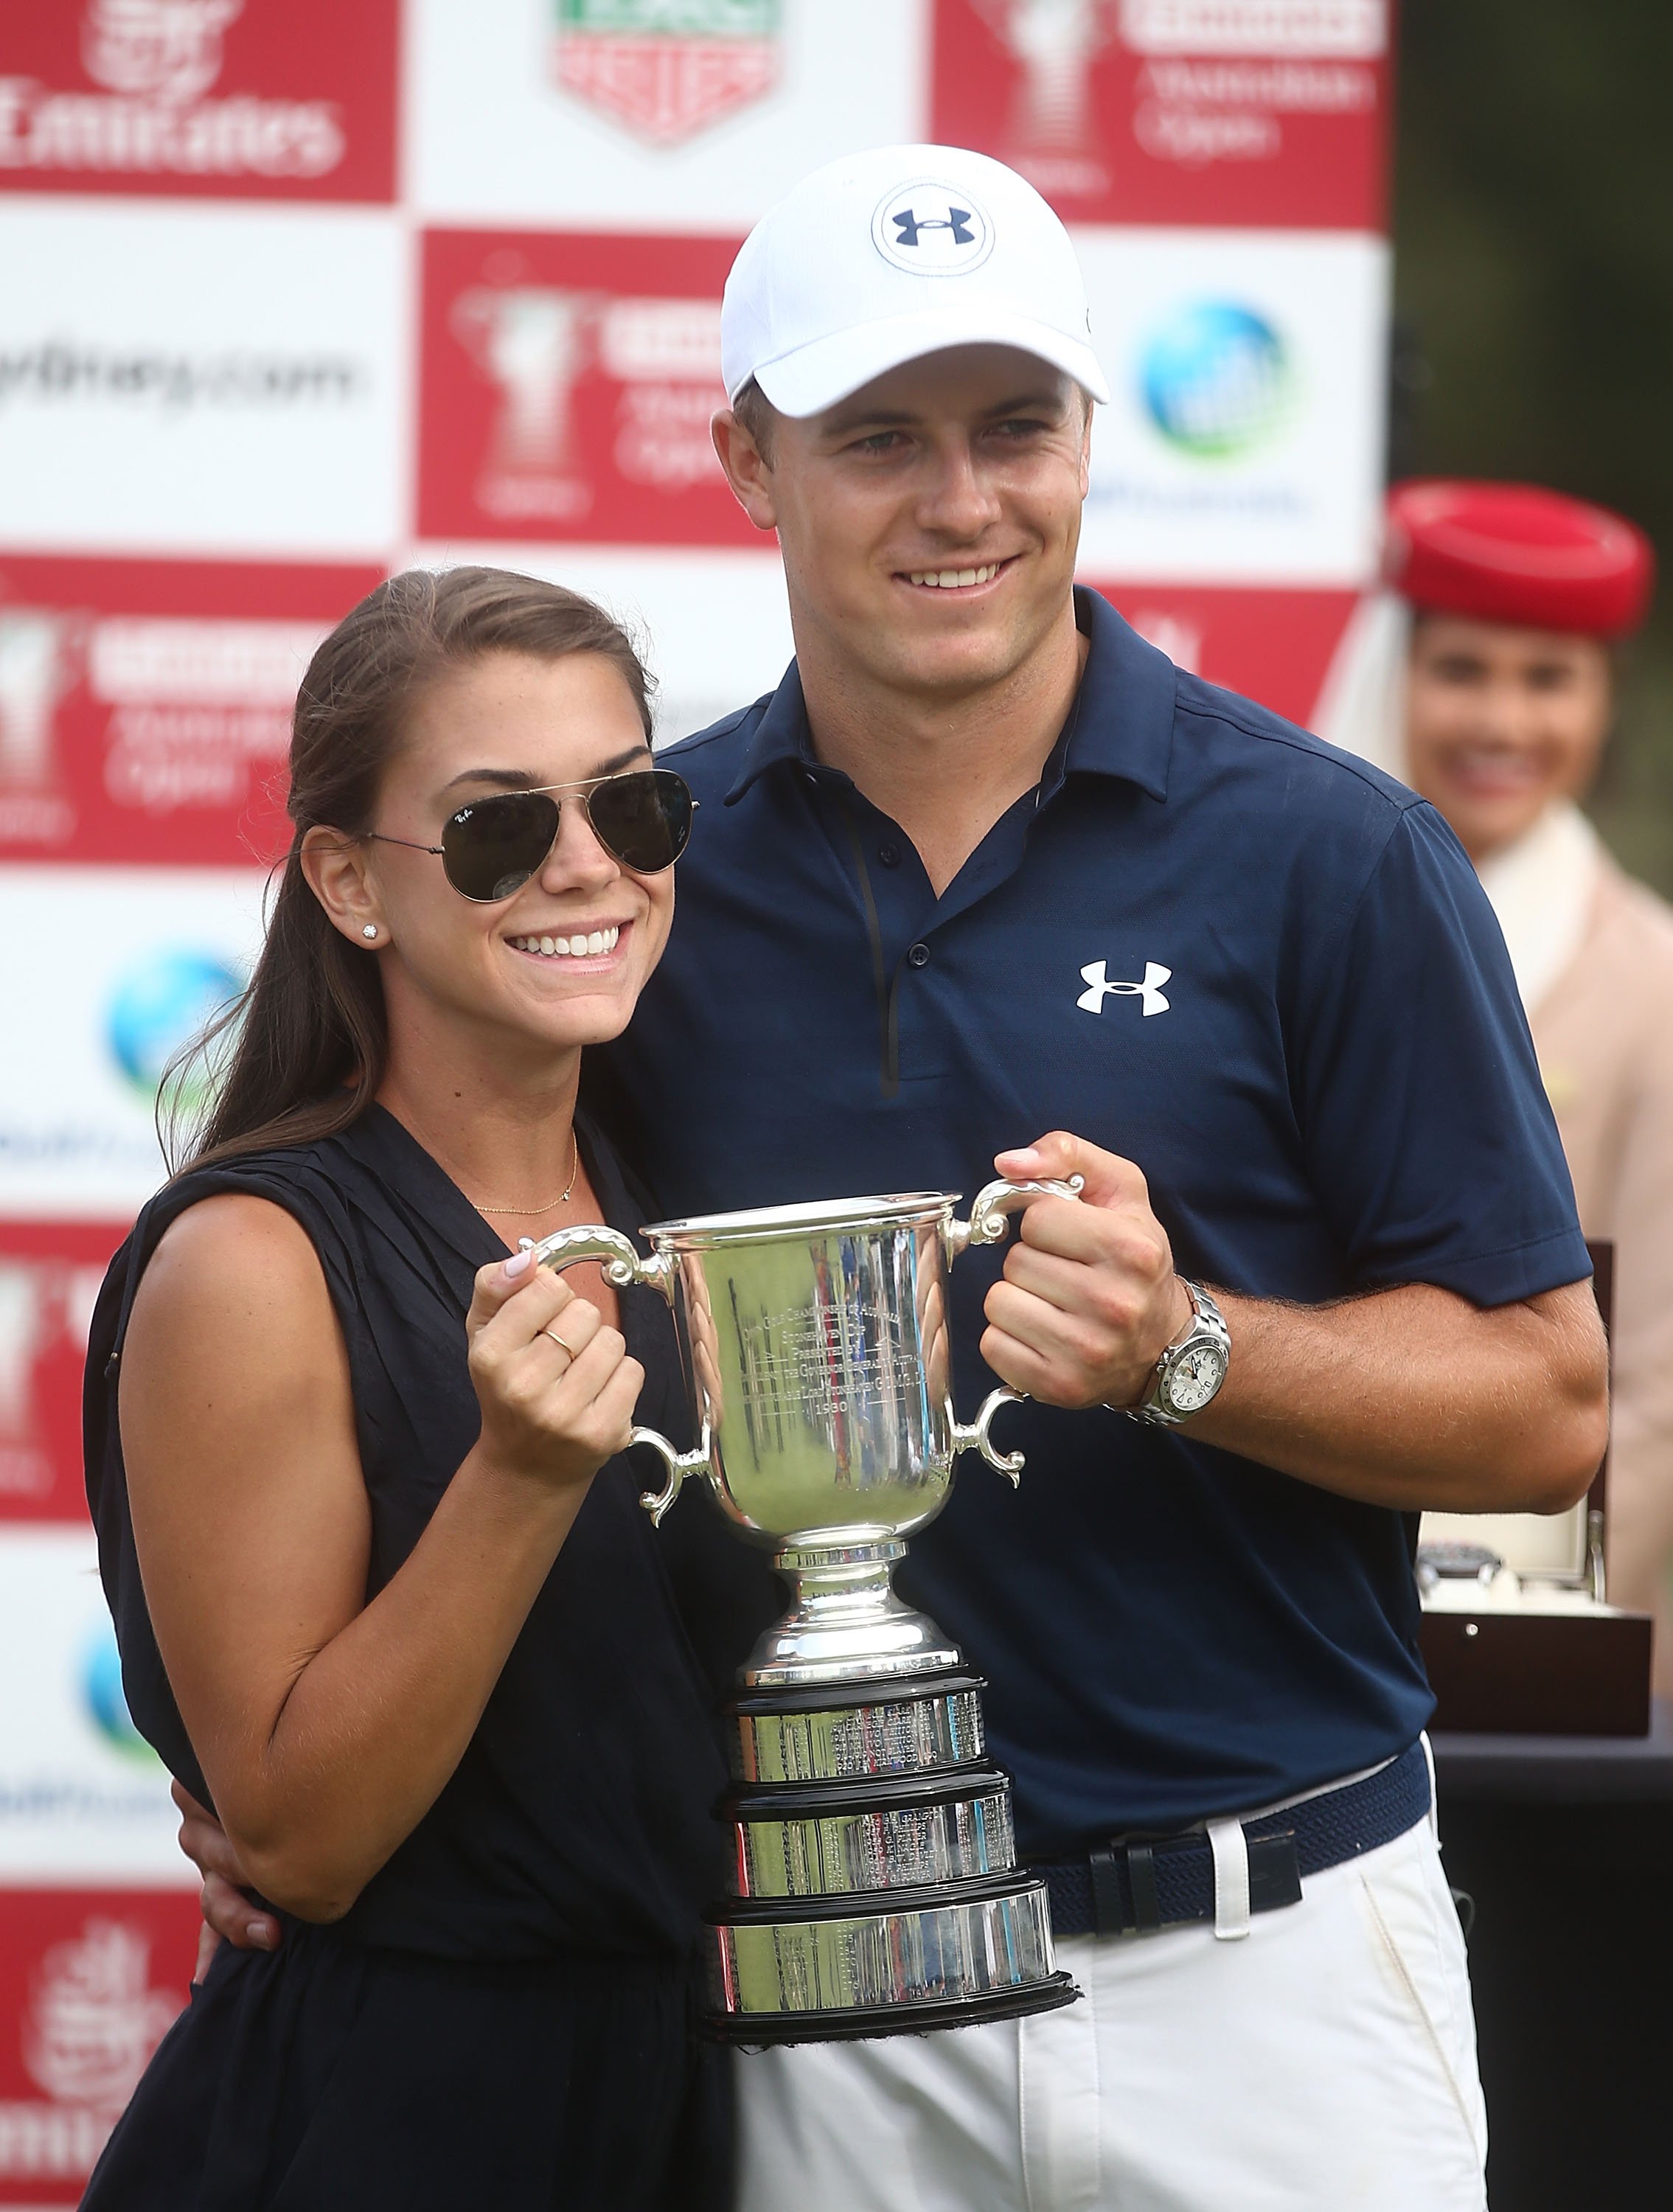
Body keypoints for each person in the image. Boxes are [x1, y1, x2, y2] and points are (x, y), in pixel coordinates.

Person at [185, 148, 1608, 2212]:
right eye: (877, 439)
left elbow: (1542, 1405)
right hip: (805, 1987)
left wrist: (1183, 1348)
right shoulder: (638, 881)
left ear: (1088, 438)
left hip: (1271, 1962)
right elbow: (441, 1306)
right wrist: (270, 1752)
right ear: (748, 464)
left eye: (1012, 425)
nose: (960, 502)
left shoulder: (1328, 856)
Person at [80, 568, 733, 2211]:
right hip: (393, 2125)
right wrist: (513, 1481)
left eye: (632, 805)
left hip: (691, 2105)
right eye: (500, 829)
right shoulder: (251, 1258)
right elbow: (298, 1839)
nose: (588, 865)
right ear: (352, 887)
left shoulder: (681, 1197)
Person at [1317, 479, 1673, 1680]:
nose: (1502, 721)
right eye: (1462, 670)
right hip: (1293, 1591)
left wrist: (1545, 1645)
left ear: (1604, 700)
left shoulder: (1650, 981)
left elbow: (1656, 1387)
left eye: (1548, 679)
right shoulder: (1285, 932)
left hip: (1522, 1628)